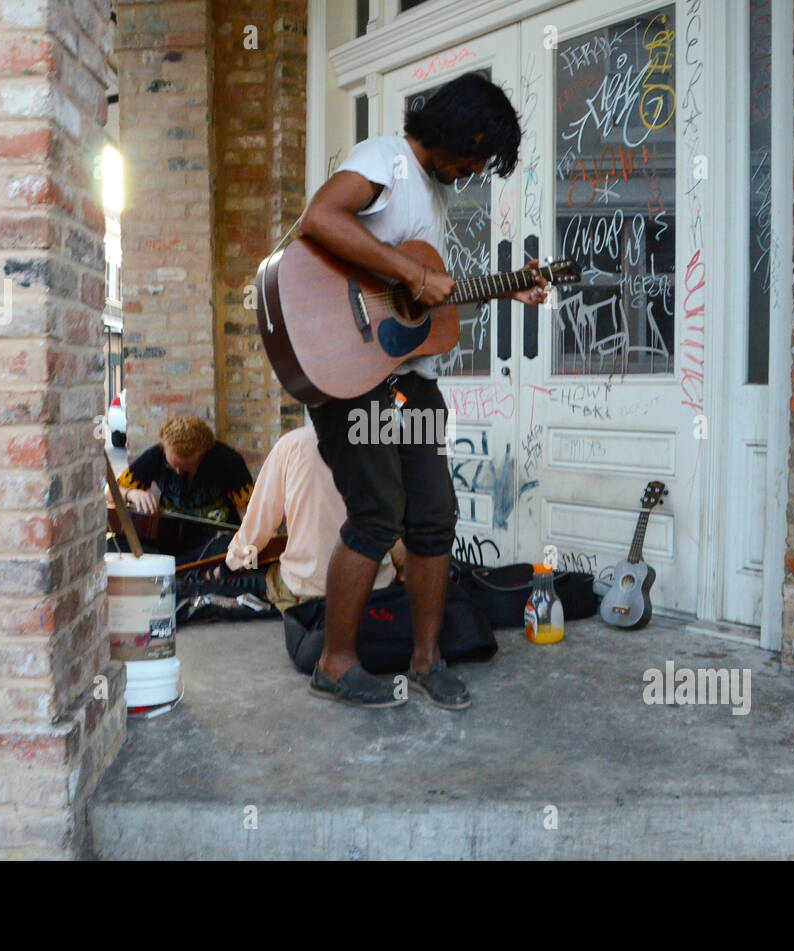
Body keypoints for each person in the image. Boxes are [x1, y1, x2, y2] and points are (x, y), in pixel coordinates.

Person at [297, 73, 549, 710]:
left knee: (434, 517)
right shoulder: (385, 159)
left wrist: (502, 287)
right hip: (355, 379)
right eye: (474, 155)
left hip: (409, 385)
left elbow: (419, 300)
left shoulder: (433, 196)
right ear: (457, 130)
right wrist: (411, 271)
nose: (473, 170)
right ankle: (335, 661)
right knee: (378, 513)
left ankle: (429, 658)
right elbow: (320, 218)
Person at [194, 425, 400, 612]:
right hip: (376, 582)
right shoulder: (382, 444)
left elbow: (259, 525)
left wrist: (230, 565)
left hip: (310, 587)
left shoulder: (294, 444)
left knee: (261, 577)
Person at [109, 414, 253, 563]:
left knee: (226, 548)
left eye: (185, 467)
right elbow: (111, 492)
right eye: (173, 465)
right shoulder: (156, 455)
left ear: (202, 454)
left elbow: (248, 513)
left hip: (212, 541)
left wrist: (247, 545)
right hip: (169, 538)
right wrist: (130, 493)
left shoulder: (228, 461)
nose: (178, 472)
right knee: (113, 545)